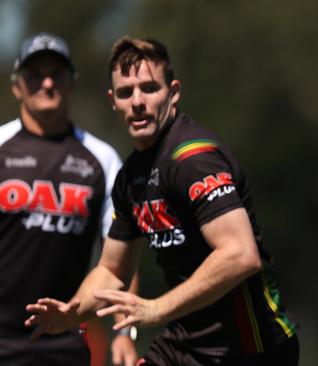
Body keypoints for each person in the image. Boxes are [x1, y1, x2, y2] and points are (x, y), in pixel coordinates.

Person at [25, 36, 299, 365]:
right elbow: (112, 269)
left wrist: (154, 308)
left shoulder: (193, 159)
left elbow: (240, 255)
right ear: (114, 101)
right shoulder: (130, 177)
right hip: (184, 344)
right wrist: (73, 312)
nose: (137, 101)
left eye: (149, 88)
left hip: (250, 347)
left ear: (173, 92)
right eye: (126, 93)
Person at [0, 33, 137, 365]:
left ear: (72, 82)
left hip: (65, 344)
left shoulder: (102, 160)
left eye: (56, 74)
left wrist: (123, 331)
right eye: (35, 74)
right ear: (17, 85)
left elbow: (121, 256)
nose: (47, 83)